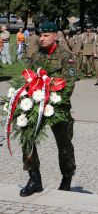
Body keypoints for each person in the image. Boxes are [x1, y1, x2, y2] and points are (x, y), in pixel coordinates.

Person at [20, 22, 77, 197]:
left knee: (64, 144)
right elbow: (27, 77)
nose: (42, 38)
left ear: (55, 36)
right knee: (26, 135)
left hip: (57, 107)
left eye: (46, 35)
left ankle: (66, 178)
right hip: (36, 105)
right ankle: (34, 178)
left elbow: (69, 85)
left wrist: (51, 100)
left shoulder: (66, 56)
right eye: (40, 35)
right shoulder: (36, 55)